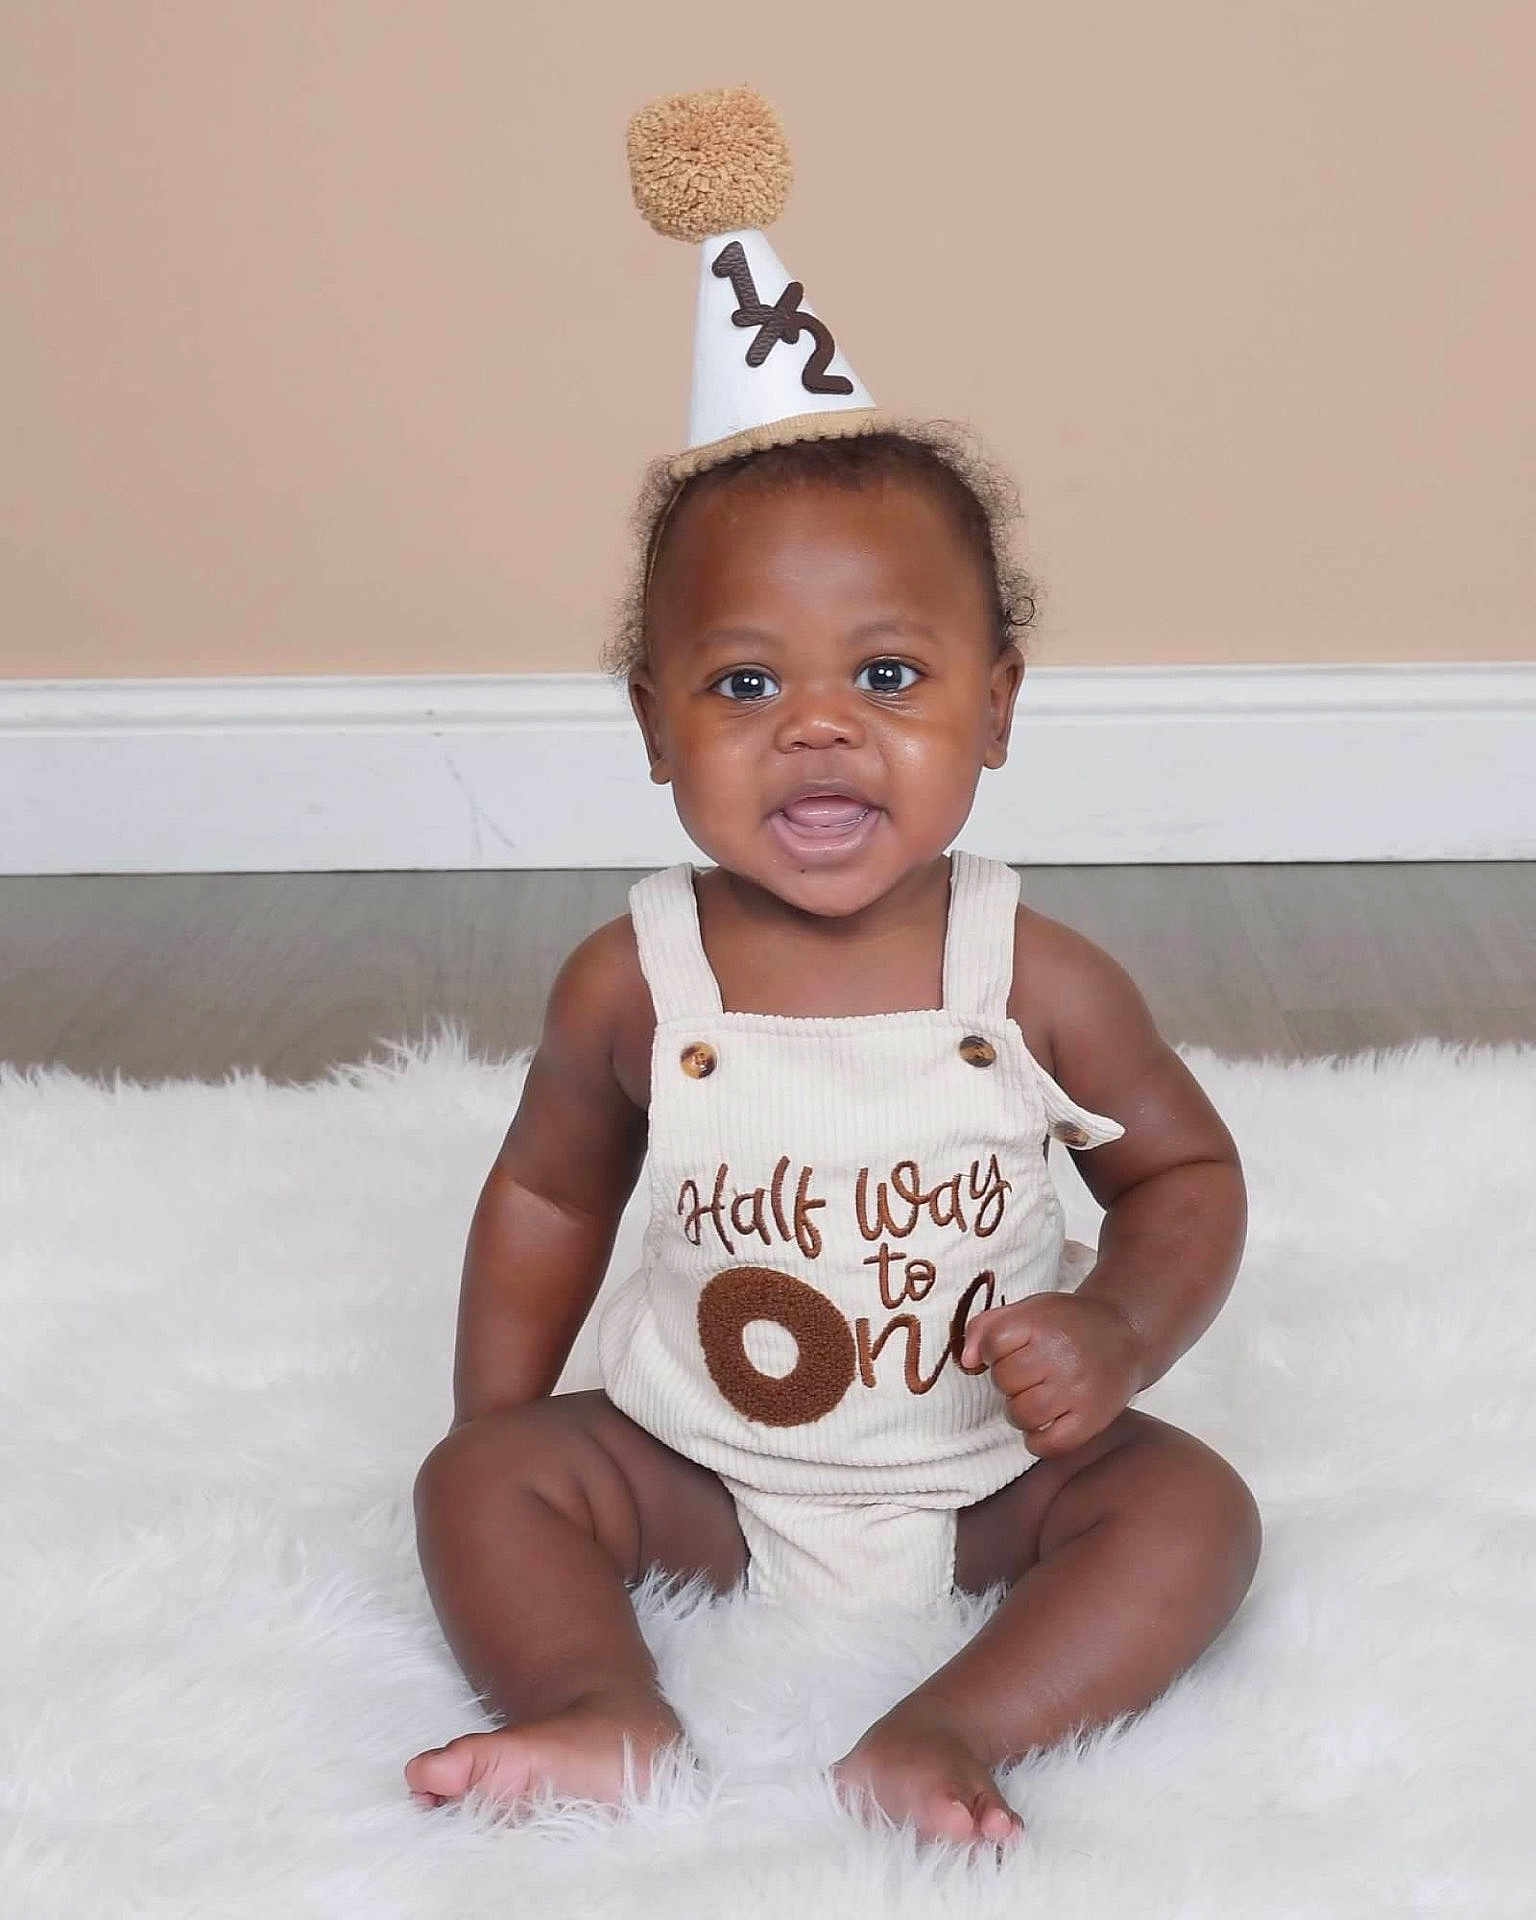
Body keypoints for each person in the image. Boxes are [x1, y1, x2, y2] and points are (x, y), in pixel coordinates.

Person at [402, 421, 1263, 1849]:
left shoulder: (1033, 975)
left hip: (991, 1471)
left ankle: (951, 1728)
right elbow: (549, 1199)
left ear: (995, 708)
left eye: (886, 675)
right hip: (702, 1466)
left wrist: (1116, 1329)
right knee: (477, 1487)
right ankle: (595, 1704)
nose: (817, 723)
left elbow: (1184, 1173)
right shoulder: (634, 977)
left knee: (1197, 1513)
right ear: (653, 723)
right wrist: (497, 1429)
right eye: (745, 682)